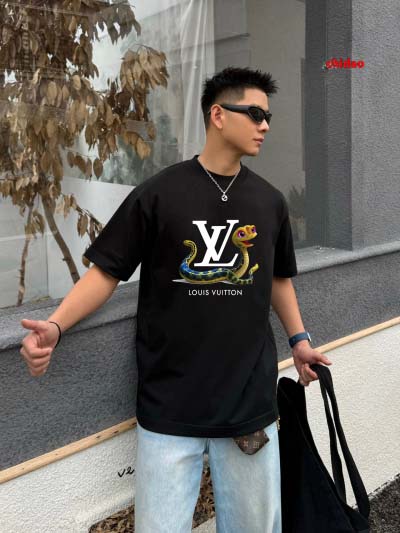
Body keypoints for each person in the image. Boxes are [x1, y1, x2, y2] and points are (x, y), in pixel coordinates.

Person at [20, 66, 332, 532]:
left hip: (248, 405)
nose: (265, 125)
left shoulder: (269, 202)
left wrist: (299, 341)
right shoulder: (159, 194)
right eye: (255, 114)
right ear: (218, 115)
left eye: (268, 116)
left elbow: (278, 279)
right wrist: (56, 325)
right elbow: (106, 272)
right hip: (169, 407)